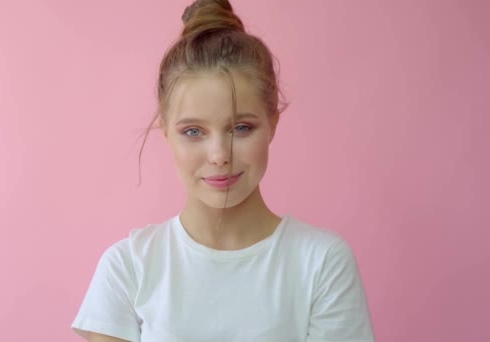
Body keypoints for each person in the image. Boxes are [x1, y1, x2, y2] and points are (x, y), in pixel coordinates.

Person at [71, 0, 375, 341]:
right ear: (166, 130)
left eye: (241, 128)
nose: (218, 155)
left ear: (272, 123)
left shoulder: (321, 263)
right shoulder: (128, 267)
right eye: (193, 132)